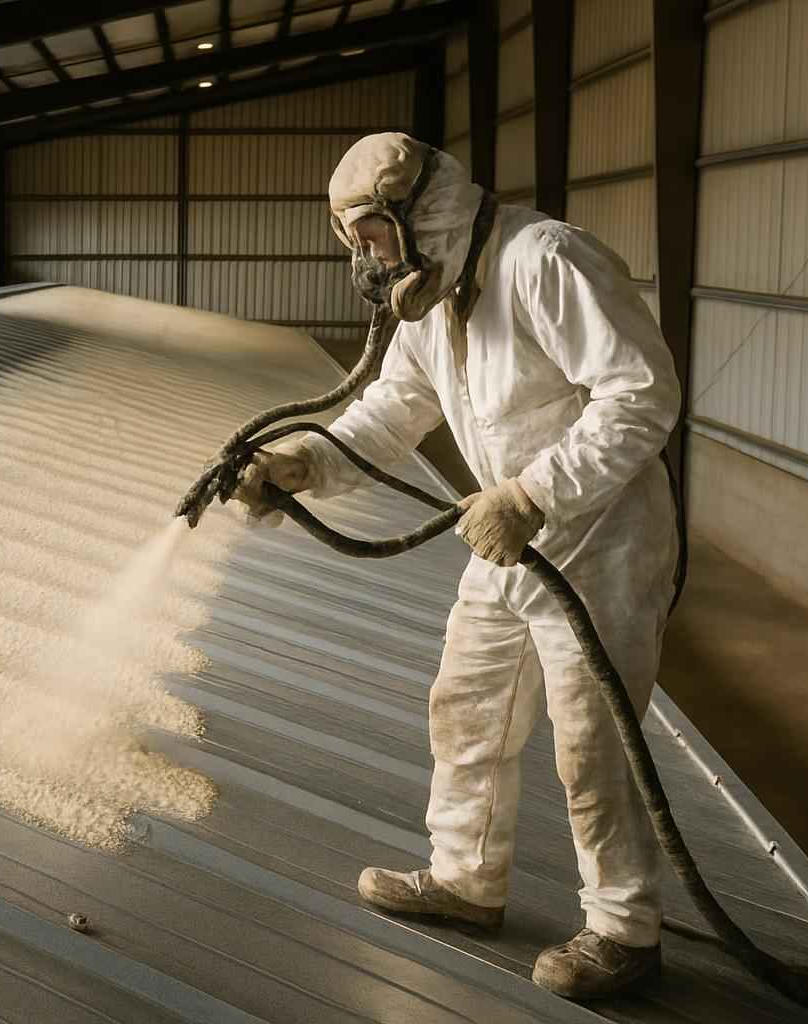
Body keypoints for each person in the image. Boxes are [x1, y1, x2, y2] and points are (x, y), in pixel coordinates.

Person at [233, 132, 682, 1000]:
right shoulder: (436, 302)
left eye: (370, 238)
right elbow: (391, 411)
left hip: (600, 538)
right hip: (508, 536)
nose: (365, 262)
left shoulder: (545, 261)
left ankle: (627, 930)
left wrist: (531, 496)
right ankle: (467, 880)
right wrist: (304, 463)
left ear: (418, 214)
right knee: (467, 707)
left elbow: (642, 392)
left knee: (594, 741)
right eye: (356, 244)